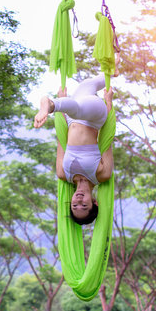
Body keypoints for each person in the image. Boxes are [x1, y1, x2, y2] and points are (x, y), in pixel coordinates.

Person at [34, 73, 114, 225]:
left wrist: (62, 112)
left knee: (89, 84)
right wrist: (108, 102)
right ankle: (51, 105)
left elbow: (61, 138)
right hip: (95, 118)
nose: (78, 199)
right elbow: (107, 137)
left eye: (74, 205)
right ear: (94, 202)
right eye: (84, 205)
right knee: (78, 108)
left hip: (71, 117)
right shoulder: (102, 175)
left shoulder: (63, 174)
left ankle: (113, 67)